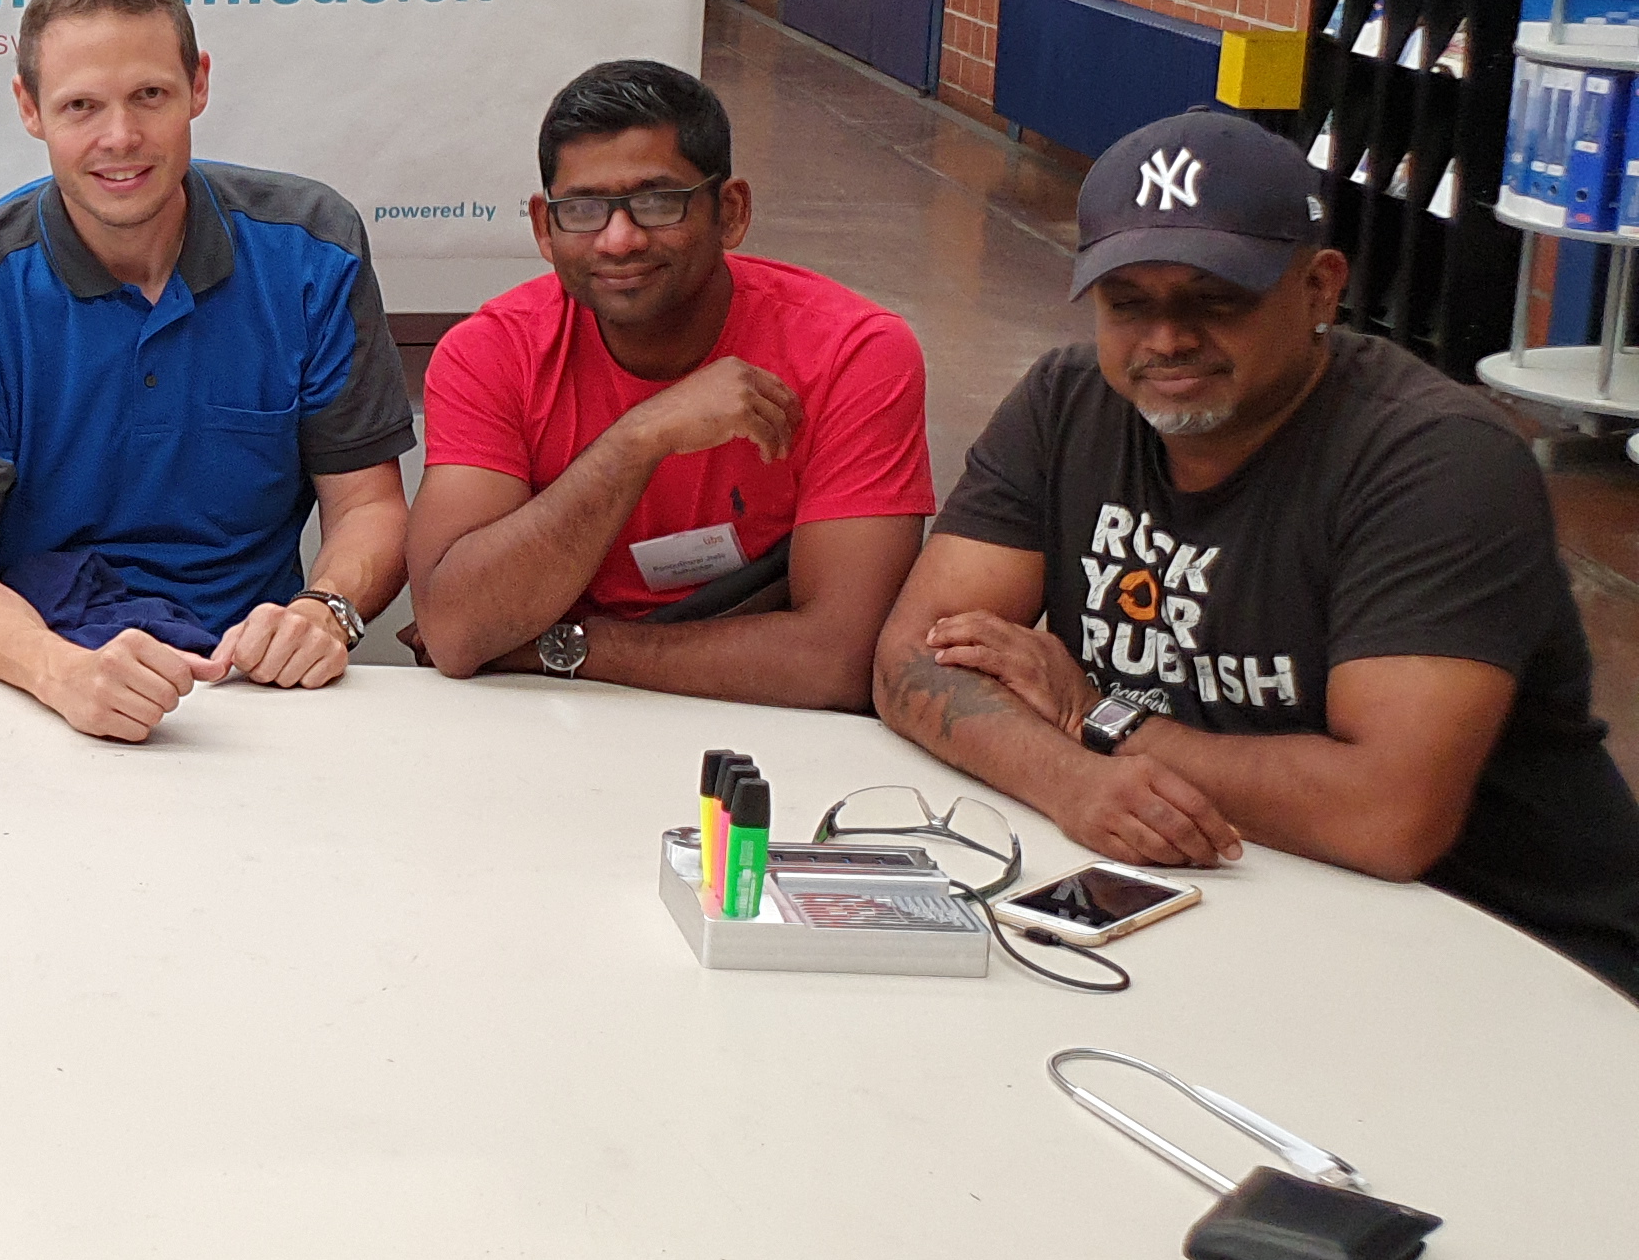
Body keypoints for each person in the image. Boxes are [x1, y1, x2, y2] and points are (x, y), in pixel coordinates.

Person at [876, 110, 1639, 1000]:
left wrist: (1094, 716)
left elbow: (1386, 814)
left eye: (1216, 299)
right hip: (1237, 902)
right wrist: (1069, 781)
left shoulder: (1437, 461)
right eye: (1128, 302)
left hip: (1514, 954)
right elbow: (910, 659)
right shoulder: (1066, 404)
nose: (1167, 339)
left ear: (1319, 288)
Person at [0, 0, 418, 741]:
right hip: (30, 685)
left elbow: (368, 507)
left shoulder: (314, 251)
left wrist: (325, 611)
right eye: (81, 106)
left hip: (249, 688)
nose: (121, 138)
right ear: (29, 109)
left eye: (150, 96)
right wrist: (61, 673)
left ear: (198, 85)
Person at [403, 59, 931, 707]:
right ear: (544, 227)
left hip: (761, 725)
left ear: (730, 212)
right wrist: (639, 439)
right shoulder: (492, 353)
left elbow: (838, 662)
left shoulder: (853, 352)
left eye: (656, 202)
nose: (618, 240)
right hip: (548, 718)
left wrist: (564, 647)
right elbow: (456, 630)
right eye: (583, 209)